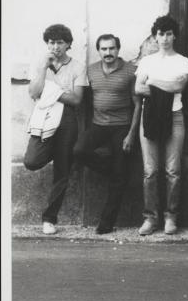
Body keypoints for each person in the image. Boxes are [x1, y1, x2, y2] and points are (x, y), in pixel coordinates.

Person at [73, 34, 142, 234]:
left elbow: (138, 104)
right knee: (79, 151)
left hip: (122, 126)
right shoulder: (91, 71)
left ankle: (106, 222)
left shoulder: (131, 71)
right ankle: (114, 170)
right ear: (99, 51)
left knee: (120, 177)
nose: (108, 53)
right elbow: (86, 102)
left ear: (118, 49)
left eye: (112, 48)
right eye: (104, 49)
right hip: (98, 125)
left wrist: (131, 134)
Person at [24, 24, 88, 235]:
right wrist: (43, 70)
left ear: (68, 44)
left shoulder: (78, 67)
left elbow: (76, 99)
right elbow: (34, 92)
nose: (55, 46)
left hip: (67, 120)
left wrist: (50, 91)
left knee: (62, 170)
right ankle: (55, 150)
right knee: (32, 161)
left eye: (60, 42)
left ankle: (49, 219)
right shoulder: (39, 63)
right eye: (51, 42)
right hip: (43, 117)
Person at [135, 15, 188, 236]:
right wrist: (165, 86)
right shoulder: (147, 61)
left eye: (169, 33)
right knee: (150, 171)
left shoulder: (183, 61)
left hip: (175, 115)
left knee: (173, 170)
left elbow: (180, 84)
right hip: (149, 116)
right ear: (155, 36)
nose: (165, 38)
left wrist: (152, 82)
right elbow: (138, 89)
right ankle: (150, 218)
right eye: (161, 34)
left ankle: (171, 217)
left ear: (174, 36)